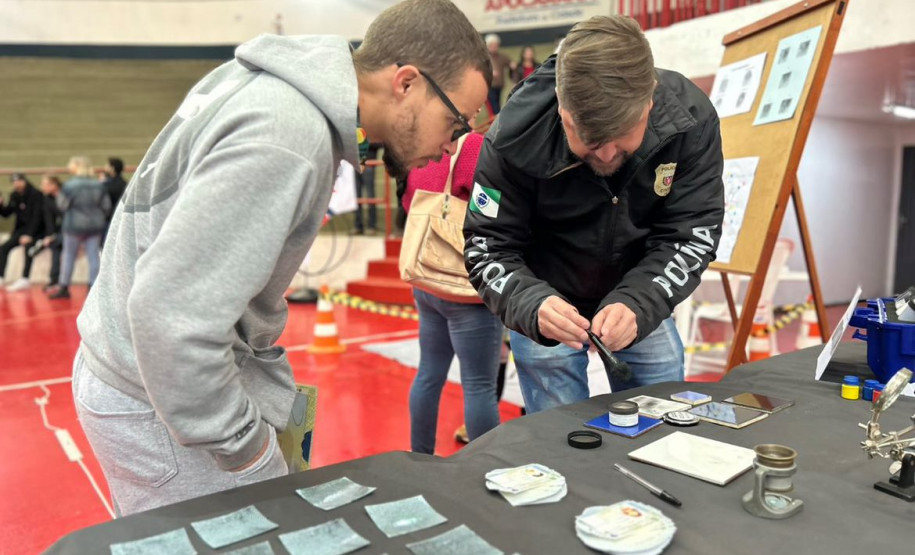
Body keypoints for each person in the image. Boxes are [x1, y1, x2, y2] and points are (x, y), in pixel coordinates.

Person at [72, 0, 491, 516]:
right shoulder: (287, 135)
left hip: (141, 384)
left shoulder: (272, 90)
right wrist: (249, 453)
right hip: (158, 403)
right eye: (456, 123)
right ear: (406, 82)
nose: (454, 147)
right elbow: (171, 322)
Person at [464, 15, 724, 414]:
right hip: (546, 299)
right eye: (586, 138)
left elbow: (691, 232)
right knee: (558, 438)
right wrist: (532, 305)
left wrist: (641, 301)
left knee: (667, 427)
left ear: (649, 103)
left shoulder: (690, 121)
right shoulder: (512, 136)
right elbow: (487, 248)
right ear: (561, 107)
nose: (604, 155)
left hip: (641, 290)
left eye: (622, 139)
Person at [402, 132, 502, 454]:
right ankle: (484, 470)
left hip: (425, 280)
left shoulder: (424, 143)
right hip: (465, 289)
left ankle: (420, 459)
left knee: (429, 374)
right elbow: (494, 205)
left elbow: (408, 201)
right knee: (479, 386)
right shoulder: (473, 146)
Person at [50, 156, 111, 299]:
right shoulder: (98, 185)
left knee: (69, 256)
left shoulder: (70, 186)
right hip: (94, 225)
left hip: (73, 226)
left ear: (76, 167)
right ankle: (93, 288)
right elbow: (106, 206)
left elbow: (62, 205)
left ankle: (64, 287)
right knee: (93, 256)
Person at [0, 172, 45, 291]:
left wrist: (29, 235)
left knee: (28, 247)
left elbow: (37, 217)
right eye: (14, 182)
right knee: (4, 248)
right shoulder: (15, 195)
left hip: (36, 230)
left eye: (18, 181)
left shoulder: (36, 194)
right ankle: (1, 276)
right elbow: (7, 213)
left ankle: (25, 278)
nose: (16, 184)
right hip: (21, 230)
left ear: (24, 181)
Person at [35, 175, 64, 290]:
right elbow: (49, 219)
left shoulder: (66, 194)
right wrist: (50, 236)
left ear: (54, 185)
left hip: (76, 229)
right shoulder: (47, 199)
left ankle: (60, 282)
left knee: (57, 244)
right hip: (62, 230)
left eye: (45, 184)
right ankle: (54, 280)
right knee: (54, 245)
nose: (42, 187)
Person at [352, 143, 380, 235]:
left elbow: (379, 143)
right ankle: (358, 225)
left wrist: (364, 141)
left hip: (368, 163)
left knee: (370, 195)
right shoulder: (355, 129)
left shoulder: (373, 129)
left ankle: (371, 226)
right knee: (356, 195)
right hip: (356, 163)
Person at [484, 33, 512, 116]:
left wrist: (512, 64)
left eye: (495, 45)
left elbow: (509, 62)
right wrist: (490, 72)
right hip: (489, 86)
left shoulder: (501, 57)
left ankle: (497, 119)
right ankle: (494, 120)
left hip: (499, 85)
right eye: (491, 45)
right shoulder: (484, 57)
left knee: (498, 104)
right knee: (493, 107)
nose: (494, 47)